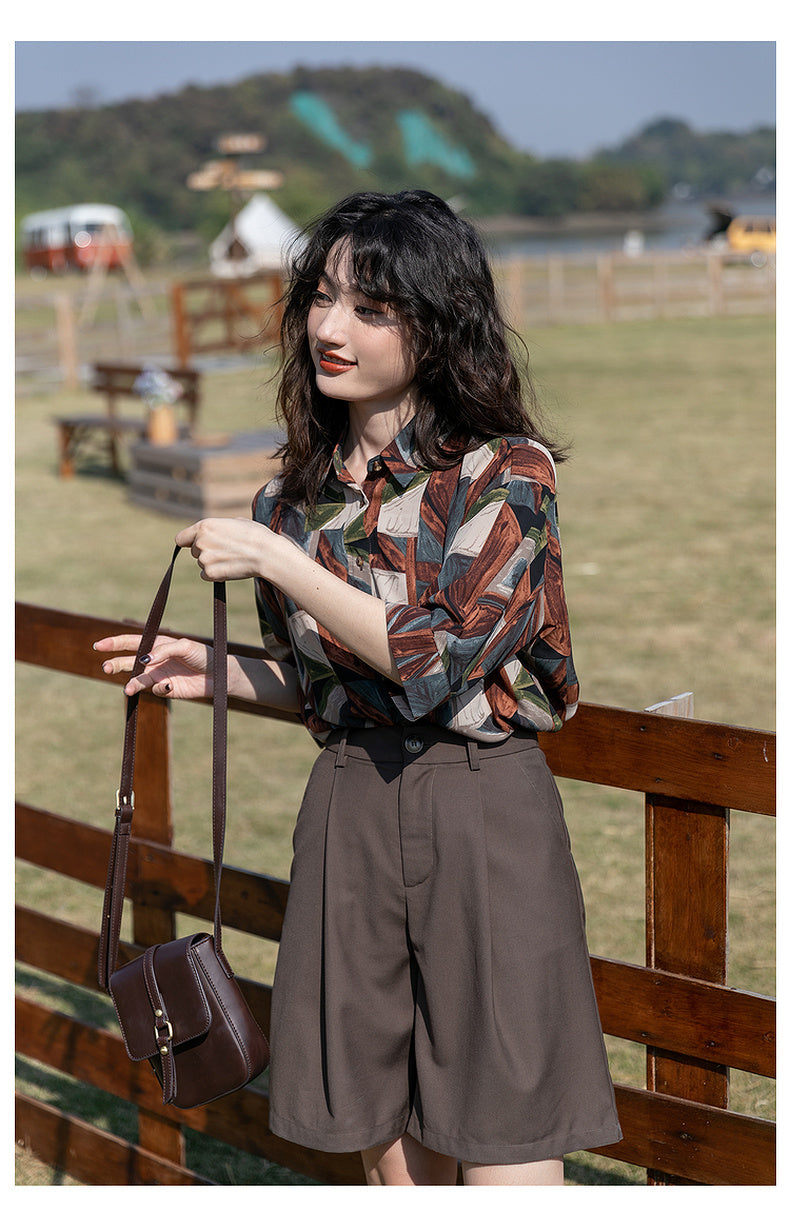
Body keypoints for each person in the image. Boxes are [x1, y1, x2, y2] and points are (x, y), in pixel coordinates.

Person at [94, 189, 622, 1186]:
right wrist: (214, 674)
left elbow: (439, 658)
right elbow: (322, 682)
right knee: (378, 1126)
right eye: (321, 297)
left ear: (436, 323)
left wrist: (282, 563)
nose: (328, 328)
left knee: (505, 1122)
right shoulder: (291, 496)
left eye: (370, 307)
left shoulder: (504, 474)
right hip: (346, 804)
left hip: (482, 805)